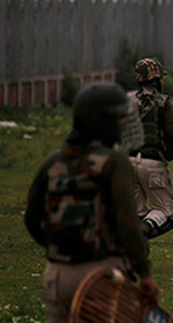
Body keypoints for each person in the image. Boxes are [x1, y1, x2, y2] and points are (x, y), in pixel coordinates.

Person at [25, 83, 158, 323]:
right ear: (102, 122)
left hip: (58, 276)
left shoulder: (53, 162)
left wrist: (60, 250)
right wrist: (144, 272)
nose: (124, 124)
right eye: (119, 118)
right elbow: (127, 223)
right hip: (103, 277)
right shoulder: (115, 163)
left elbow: (32, 219)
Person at [129, 59, 173, 239]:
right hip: (153, 164)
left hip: (128, 162)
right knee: (163, 210)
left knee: (137, 212)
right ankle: (144, 230)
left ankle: (135, 248)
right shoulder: (162, 102)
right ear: (156, 80)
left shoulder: (127, 101)